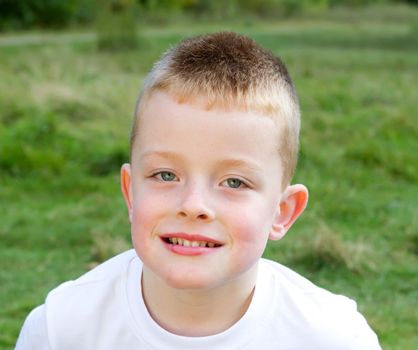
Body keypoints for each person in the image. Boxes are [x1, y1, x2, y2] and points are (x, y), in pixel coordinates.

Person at [16, 32, 381, 349]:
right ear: (130, 192)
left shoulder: (332, 339)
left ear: (282, 212)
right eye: (164, 175)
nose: (193, 206)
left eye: (234, 182)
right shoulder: (62, 329)